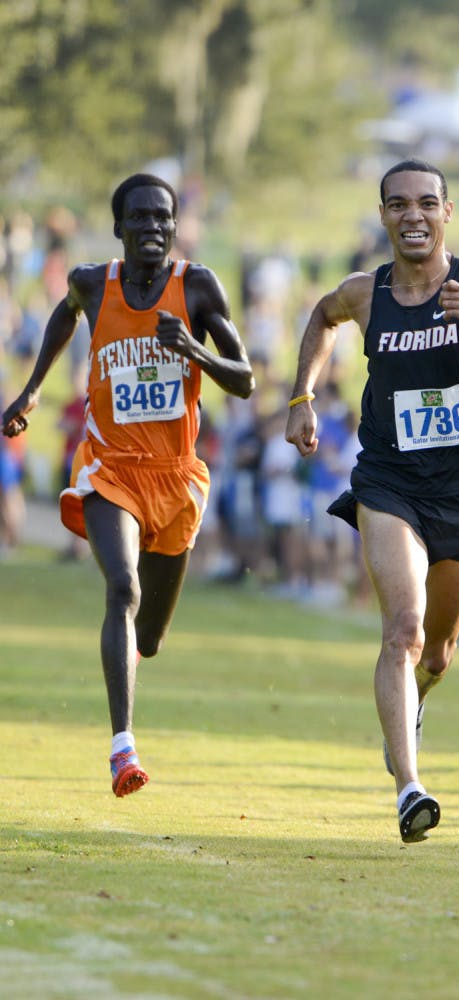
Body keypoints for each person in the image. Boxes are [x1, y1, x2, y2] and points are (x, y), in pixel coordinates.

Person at [285, 159, 459, 843]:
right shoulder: (365, 294)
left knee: (435, 654)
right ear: (382, 215)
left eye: (427, 203)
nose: (413, 215)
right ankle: (409, 787)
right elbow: (321, 317)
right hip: (388, 482)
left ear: (446, 214)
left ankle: (409, 708)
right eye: (399, 204)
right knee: (402, 632)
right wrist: (301, 397)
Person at [2, 173, 254, 796]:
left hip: (175, 477)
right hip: (109, 468)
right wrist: (32, 390)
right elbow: (64, 318)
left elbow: (245, 379)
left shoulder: (196, 286)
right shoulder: (93, 283)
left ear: (176, 225)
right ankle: (123, 748)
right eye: (139, 218)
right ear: (119, 229)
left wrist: (193, 350)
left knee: (150, 636)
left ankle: (133, 655)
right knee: (122, 586)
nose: (153, 228)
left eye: (163, 218)